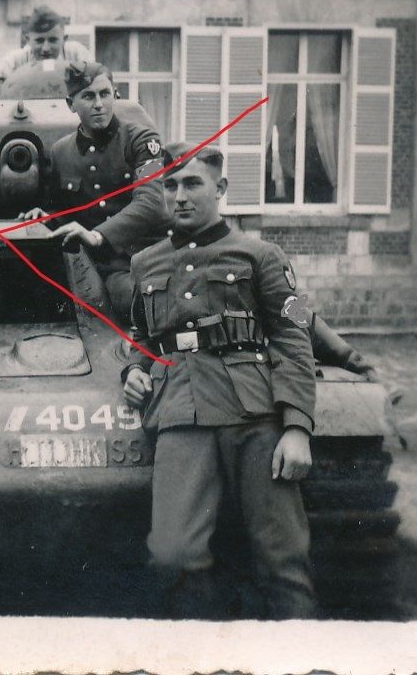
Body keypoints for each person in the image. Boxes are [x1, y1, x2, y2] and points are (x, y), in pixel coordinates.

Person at [122, 141, 317, 620]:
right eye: (170, 185)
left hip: (254, 414)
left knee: (283, 557)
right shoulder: (145, 263)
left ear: (221, 187)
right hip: (181, 412)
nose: (180, 196)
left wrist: (297, 427)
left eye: (192, 183)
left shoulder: (262, 255)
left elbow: (294, 335)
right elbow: (141, 335)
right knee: (173, 554)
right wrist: (134, 369)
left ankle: (300, 648)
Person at [20, 60, 169, 321]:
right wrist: (46, 217)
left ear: (115, 96)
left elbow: (152, 202)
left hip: (144, 260)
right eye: (88, 96)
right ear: (71, 104)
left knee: (138, 303)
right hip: (96, 265)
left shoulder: (144, 141)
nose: (99, 104)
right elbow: (65, 210)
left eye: (104, 94)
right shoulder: (60, 152)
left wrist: (98, 236)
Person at [0, 5, 91, 101]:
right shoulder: (16, 60)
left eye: (53, 40)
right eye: (39, 41)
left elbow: (100, 83)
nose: (46, 48)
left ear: (64, 39)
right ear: (28, 40)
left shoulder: (76, 55)